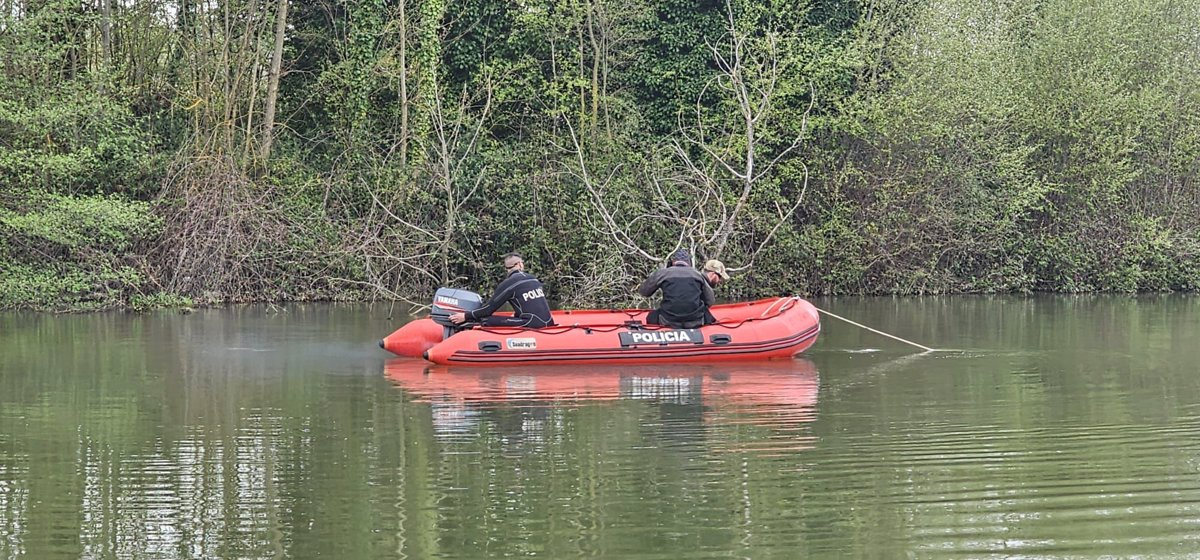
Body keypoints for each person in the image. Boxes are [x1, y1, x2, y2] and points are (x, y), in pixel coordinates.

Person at [449, 253, 555, 328]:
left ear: (506, 268)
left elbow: (488, 309)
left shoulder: (509, 283)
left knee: (486, 319)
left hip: (531, 323)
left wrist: (466, 316)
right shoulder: (533, 279)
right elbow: (531, 304)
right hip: (549, 322)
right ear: (520, 264)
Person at [637, 249, 716, 328]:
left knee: (651, 316)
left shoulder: (663, 273)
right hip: (694, 321)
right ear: (689, 263)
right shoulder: (698, 275)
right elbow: (710, 301)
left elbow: (644, 292)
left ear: (673, 262)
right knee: (707, 314)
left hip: (668, 320)